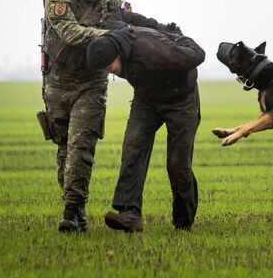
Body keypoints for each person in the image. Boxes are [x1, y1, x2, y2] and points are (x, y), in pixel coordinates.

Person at [42, 0, 181, 232]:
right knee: (64, 149)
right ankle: (76, 206)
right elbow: (70, 33)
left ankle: (70, 208)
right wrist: (111, 36)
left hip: (92, 84)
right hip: (58, 85)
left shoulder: (113, 3)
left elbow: (133, 24)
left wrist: (165, 33)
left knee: (81, 146)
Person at [86, 25, 205, 232]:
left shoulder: (153, 51)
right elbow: (130, 19)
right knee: (132, 149)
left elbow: (197, 55)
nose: (107, 72)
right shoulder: (115, 41)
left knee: (178, 164)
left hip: (181, 100)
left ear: (118, 53)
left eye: (108, 66)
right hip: (147, 99)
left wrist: (177, 37)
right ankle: (129, 213)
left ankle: (183, 223)